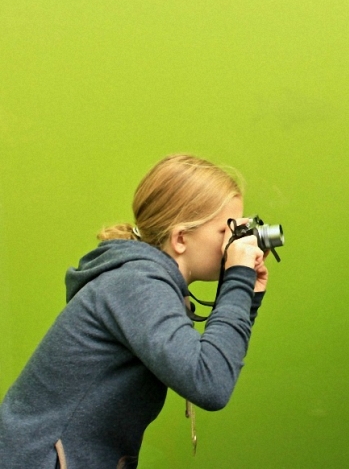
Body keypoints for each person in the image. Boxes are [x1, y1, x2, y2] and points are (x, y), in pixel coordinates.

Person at [0, 154, 269, 469]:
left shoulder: (144, 280)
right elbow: (210, 383)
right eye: (227, 231)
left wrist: (245, 295)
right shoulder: (137, 284)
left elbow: (213, 367)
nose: (236, 243)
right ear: (181, 238)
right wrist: (237, 277)